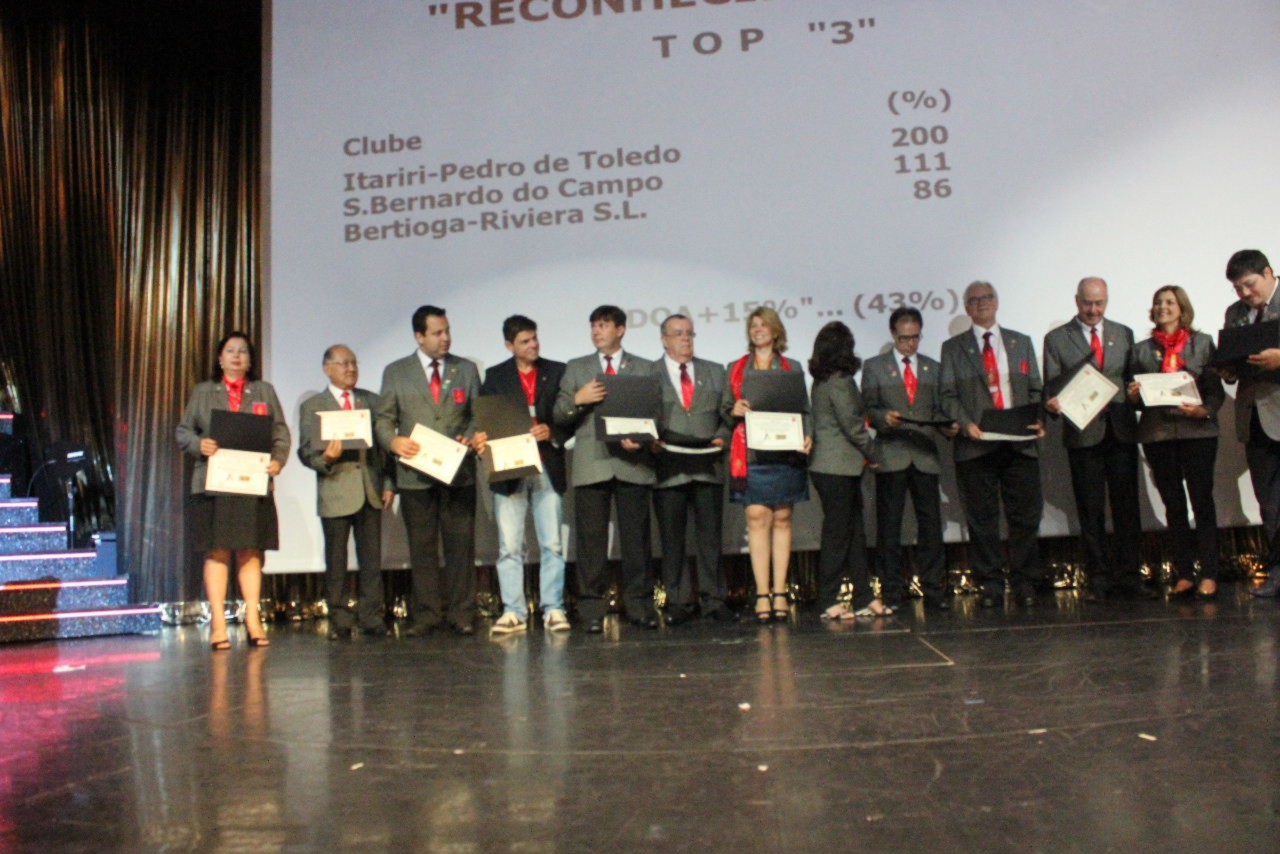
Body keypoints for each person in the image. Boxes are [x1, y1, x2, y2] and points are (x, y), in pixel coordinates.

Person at [176, 331, 290, 650]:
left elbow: (280, 433)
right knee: (217, 550)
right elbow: (183, 432)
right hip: (214, 483)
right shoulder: (204, 392)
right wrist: (200, 444)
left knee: (251, 550)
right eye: (230, 351)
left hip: (252, 483)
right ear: (220, 358)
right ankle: (217, 623)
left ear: (250, 360)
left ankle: (253, 619)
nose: (237, 356)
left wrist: (278, 461)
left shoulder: (263, 391)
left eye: (243, 351)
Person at [374, 305, 482, 635]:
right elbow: (384, 419)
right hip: (415, 475)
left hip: (458, 473)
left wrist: (471, 435)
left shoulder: (465, 369)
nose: (445, 338)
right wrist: (393, 442)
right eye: (437, 333)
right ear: (419, 337)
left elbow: (477, 414)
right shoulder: (396, 371)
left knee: (460, 547)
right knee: (421, 549)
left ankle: (462, 613)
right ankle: (426, 614)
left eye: (447, 331)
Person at [553, 305, 659, 632]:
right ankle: (590, 609)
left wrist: (641, 439)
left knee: (636, 541)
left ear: (621, 329)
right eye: (593, 326)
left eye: (603, 325)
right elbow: (558, 413)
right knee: (591, 542)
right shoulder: (577, 367)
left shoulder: (643, 367)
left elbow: (655, 413)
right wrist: (579, 399)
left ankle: (639, 605)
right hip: (592, 463)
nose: (597, 332)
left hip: (632, 463)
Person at [940, 281, 1046, 608]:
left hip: (1019, 443)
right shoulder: (953, 348)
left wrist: (1038, 417)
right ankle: (990, 584)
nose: (982, 303)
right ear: (967, 308)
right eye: (974, 300)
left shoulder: (1020, 342)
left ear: (997, 302)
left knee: (1024, 518)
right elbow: (947, 396)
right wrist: (965, 424)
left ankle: (1025, 582)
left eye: (987, 297)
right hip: (976, 445)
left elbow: (1036, 389)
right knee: (982, 520)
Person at [1043, 277, 1147, 601]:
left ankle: (1130, 577)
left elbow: (1131, 379)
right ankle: (1098, 580)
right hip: (1083, 434)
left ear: (1107, 301)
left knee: (1127, 509)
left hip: (1121, 431)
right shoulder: (1056, 338)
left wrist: (1137, 393)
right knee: (1091, 511)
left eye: (1099, 303)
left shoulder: (1123, 333)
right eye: (1087, 303)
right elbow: (1051, 387)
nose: (1093, 309)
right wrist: (1052, 403)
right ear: (1077, 301)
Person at [1128, 286, 1224, 598]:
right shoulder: (1141, 350)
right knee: (1173, 505)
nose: (1163, 307)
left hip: (1198, 433)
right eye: (1158, 302)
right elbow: (1135, 400)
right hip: (1158, 435)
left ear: (1182, 308)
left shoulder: (1202, 343)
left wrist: (1204, 411)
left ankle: (1209, 573)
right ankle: (1184, 573)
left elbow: (1215, 392)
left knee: (1202, 501)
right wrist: (1134, 396)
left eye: (1170, 302)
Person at [861, 307, 958, 612]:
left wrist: (947, 426)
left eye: (915, 337)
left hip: (925, 455)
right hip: (892, 453)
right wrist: (882, 418)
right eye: (904, 338)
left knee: (931, 526)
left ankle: (934, 590)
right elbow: (867, 408)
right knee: (889, 527)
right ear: (893, 334)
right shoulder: (874, 367)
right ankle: (891, 592)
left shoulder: (932, 367)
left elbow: (940, 409)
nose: (910, 344)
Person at [479, 315, 571, 635]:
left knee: (552, 543)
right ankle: (513, 610)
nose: (533, 345)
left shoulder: (556, 371)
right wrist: (482, 437)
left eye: (534, 338)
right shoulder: (495, 376)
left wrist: (553, 431)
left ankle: (553, 608)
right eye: (524, 341)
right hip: (510, 468)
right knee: (509, 546)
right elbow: (487, 420)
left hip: (546, 465)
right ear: (509, 345)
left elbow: (569, 417)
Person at [721, 306, 813, 624]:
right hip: (751, 452)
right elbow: (723, 409)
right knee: (757, 517)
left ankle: (781, 592)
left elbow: (805, 410)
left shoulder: (792, 367)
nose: (757, 329)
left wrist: (809, 436)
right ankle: (762, 593)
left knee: (783, 518)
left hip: (785, 451)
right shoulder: (735, 368)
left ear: (776, 331)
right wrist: (733, 409)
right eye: (753, 325)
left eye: (763, 325)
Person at [297, 345, 393, 639]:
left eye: (354, 363)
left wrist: (389, 484)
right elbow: (305, 451)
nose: (350, 369)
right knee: (336, 561)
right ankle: (339, 618)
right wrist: (325, 459)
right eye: (343, 364)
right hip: (335, 491)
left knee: (371, 561)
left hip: (370, 489)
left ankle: (371, 616)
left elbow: (385, 449)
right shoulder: (314, 405)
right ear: (327, 368)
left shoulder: (371, 401)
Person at [650, 314, 735, 625]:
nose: (685, 338)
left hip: (707, 465)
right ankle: (678, 600)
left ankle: (714, 600)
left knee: (710, 539)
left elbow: (728, 414)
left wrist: (723, 437)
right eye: (678, 333)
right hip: (668, 465)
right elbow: (642, 415)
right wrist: (650, 440)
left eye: (689, 333)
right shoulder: (649, 373)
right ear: (664, 340)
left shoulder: (715, 371)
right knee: (672, 540)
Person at [807, 321, 882, 619]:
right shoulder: (839, 381)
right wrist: (874, 454)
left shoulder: (822, 379)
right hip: (835, 467)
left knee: (853, 534)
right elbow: (853, 425)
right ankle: (828, 599)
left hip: (835, 467)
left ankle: (864, 597)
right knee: (839, 534)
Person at [1222, 249, 1280, 598]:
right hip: (1254, 417)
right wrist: (1226, 368)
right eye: (1237, 288)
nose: (1244, 293)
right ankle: (1278, 573)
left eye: (1249, 284)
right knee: (1269, 502)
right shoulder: (1236, 313)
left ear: (1269, 273)